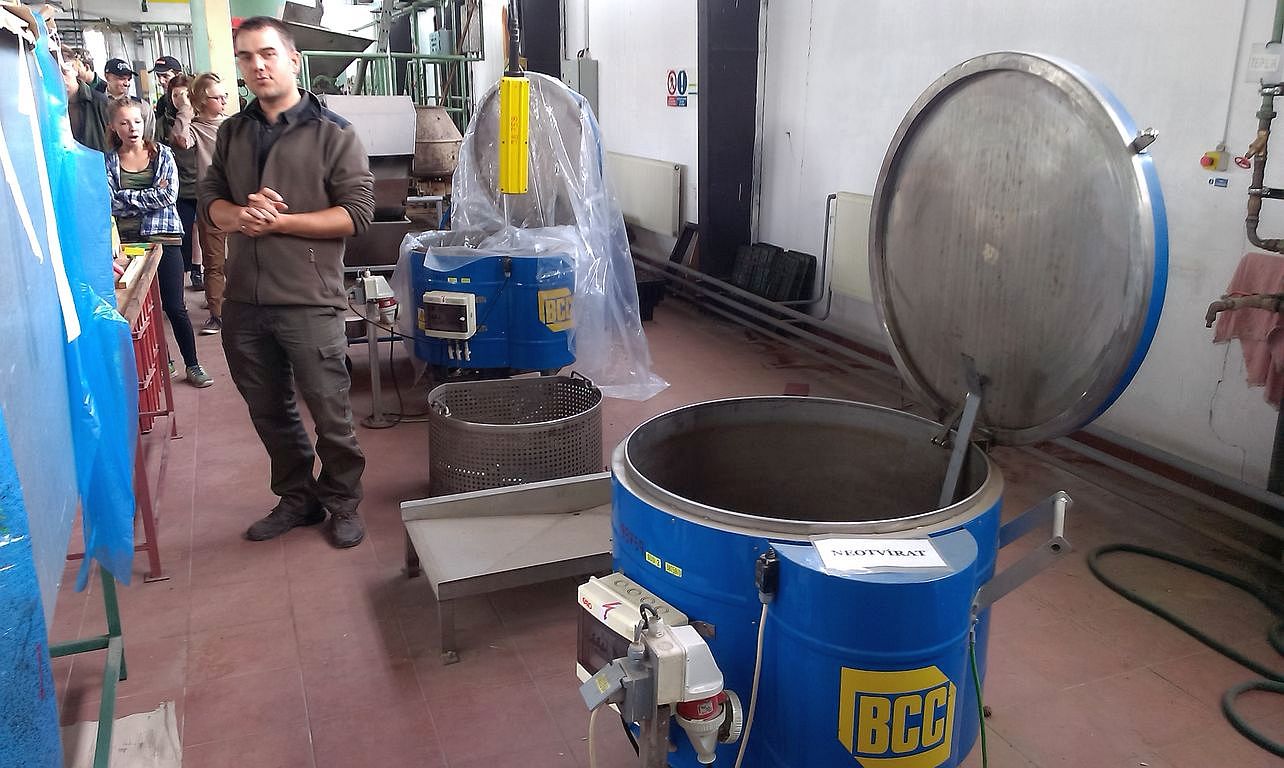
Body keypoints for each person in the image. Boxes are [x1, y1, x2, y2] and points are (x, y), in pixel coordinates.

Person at [198, 16, 374, 548]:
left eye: (268, 53)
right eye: (246, 56)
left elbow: (357, 214)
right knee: (269, 410)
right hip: (245, 301)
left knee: (330, 412)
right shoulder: (233, 132)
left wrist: (280, 223)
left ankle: (342, 501)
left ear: (293, 60)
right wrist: (238, 216)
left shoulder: (333, 133)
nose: (258, 65)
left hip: (308, 300)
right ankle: (298, 498)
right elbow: (210, 200)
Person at [106, 98, 213, 389]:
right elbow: (109, 202)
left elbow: (167, 196)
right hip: (128, 244)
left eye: (137, 121)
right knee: (143, 308)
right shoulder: (108, 160)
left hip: (164, 238)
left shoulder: (163, 154)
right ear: (114, 127)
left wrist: (126, 198)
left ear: (145, 123)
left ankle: (193, 364)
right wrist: (147, 196)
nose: (132, 128)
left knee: (174, 306)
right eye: (124, 122)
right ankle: (164, 361)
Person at [171, 71, 228, 331]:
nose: (224, 101)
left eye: (225, 96)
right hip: (212, 203)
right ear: (203, 101)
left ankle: (240, 310)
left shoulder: (233, 125)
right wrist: (185, 109)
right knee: (214, 262)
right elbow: (181, 140)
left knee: (242, 260)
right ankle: (217, 314)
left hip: (239, 200)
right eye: (218, 97)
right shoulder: (194, 127)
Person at [161, 73, 203, 291]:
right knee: (184, 233)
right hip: (179, 187)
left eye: (185, 94)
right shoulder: (165, 122)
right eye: (175, 95)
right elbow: (174, 142)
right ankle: (187, 273)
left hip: (202, 183)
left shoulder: (201, 120)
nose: (180, 100)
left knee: (201, 231)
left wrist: (187, 111)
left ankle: (198, 270)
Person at [61, 54, 110, 152]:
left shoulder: (100, 102)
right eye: (54, 74)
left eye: (64, 72)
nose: (61, 78)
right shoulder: (46, 107)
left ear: (75, 70)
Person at [151, 55, 183, 144]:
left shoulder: (195, 99)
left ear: (179, 76)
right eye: (158, 76)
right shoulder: (162, 102)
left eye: (166, 76)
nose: (161, 81)